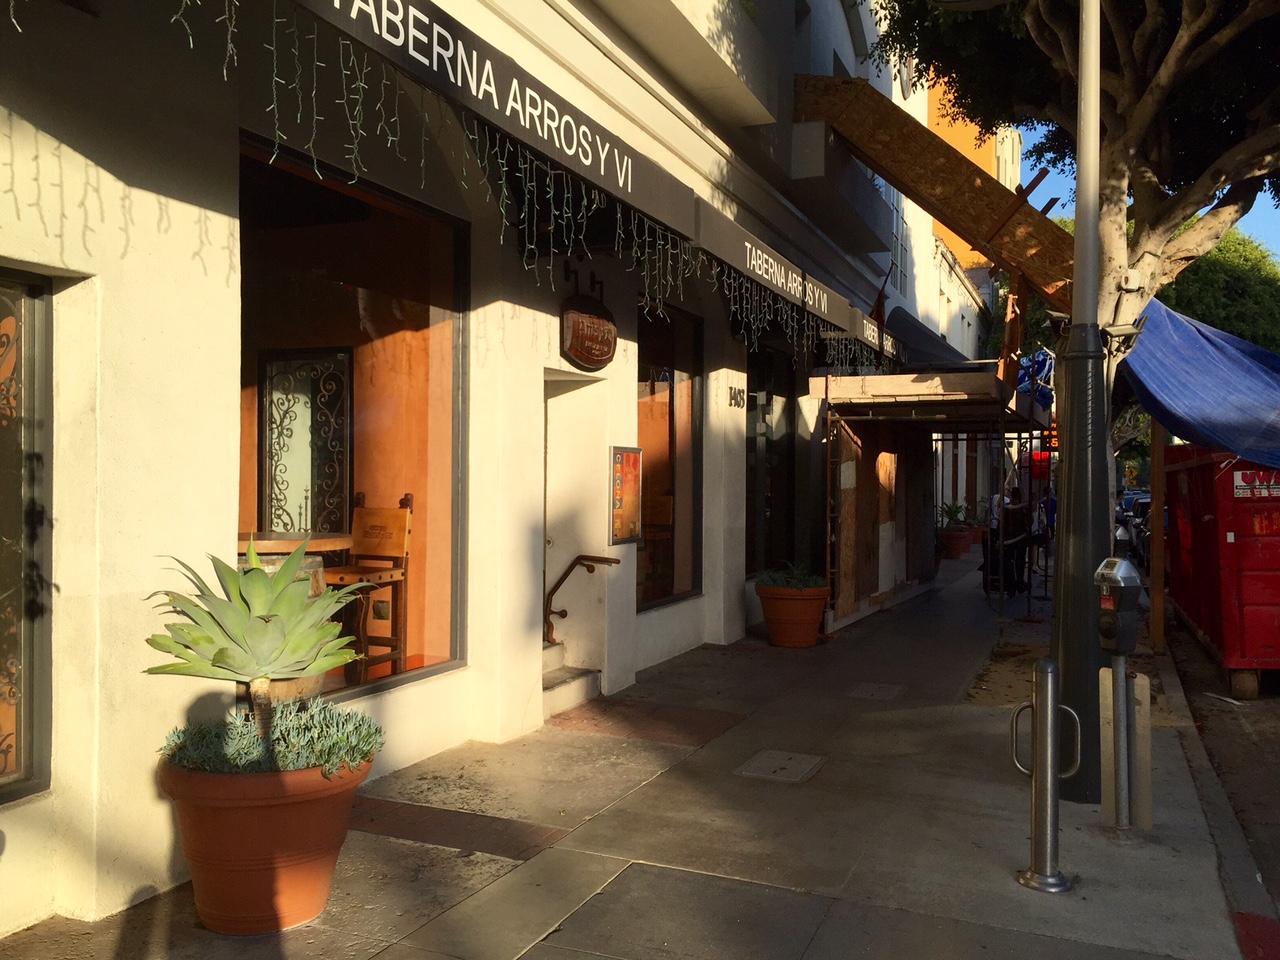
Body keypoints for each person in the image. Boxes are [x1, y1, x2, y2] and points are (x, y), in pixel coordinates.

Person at [1001, 486, 1031, 594]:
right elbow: (1029, 521)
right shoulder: (1023, 508)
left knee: (1009, 561)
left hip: (1009, 538)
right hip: (1020, 539)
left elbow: (1002, 523)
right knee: (1020, 561)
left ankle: (1011, 583)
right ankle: (1019, 581)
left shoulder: (1006, 507)